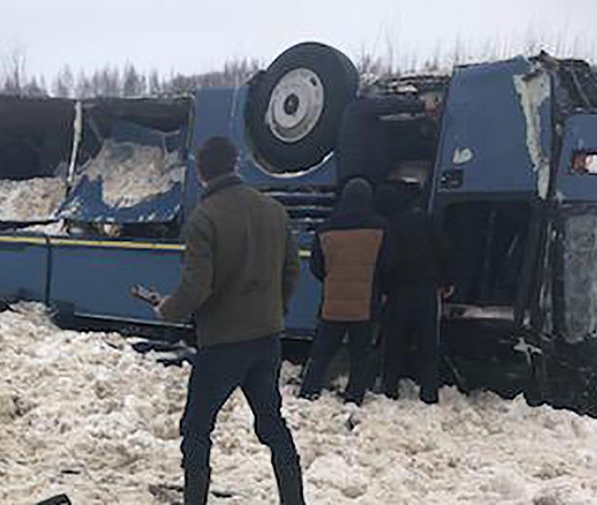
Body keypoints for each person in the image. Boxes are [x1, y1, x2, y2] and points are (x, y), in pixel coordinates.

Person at [155, 136, 304, 505]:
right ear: (235, 166)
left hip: (222, 344)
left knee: (196, 427)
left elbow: (196, 287)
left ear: (202, 174)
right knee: (272, 423)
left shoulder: (205, 218)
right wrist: (276, 310)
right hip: (267, 339)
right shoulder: (273, 210)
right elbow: (292, 270)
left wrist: (167, 310)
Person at [298, 177, 390, 406]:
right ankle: (354, 395)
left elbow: (316, 267)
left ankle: (309, 390)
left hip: (333, 303)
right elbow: (388, 264)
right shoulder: (381, 227)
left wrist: (333, 280)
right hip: (365, 304)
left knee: (321, 353)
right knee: (360, 355)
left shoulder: (326, 228)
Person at [376, 182, 452, 404]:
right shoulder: (426, 220)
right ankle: (429, 392)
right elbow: (444, 249)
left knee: (395, 340)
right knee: (428, 341)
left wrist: (384, 288)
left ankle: (390, 388)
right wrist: (447, 281)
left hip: (399, 289)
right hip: (427, 289)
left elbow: (387, 261)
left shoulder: (389, 225)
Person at [336, 95, 438, 186]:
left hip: (370, 179)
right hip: (364, 179)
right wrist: (421, 104)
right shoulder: (355, 110)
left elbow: (393, 129)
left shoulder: (362, 123)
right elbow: (389, 105)